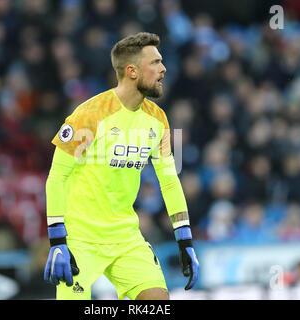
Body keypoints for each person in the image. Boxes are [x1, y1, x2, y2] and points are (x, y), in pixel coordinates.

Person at [43, 32, 199, 300]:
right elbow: (57, 177)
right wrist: (58, 240)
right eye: (156, 63)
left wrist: (184, 239)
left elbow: (169, 180)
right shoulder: (90, 115)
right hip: (81, 239)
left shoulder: (157, 119)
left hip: (126, 237)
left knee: (158, 301)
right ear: (132, 71)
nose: (163, 69)